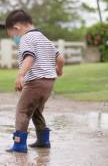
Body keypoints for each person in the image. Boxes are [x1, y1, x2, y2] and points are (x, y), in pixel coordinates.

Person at [4, 9, 64, 153]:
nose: (14, 39)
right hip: (49, 83)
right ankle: (43, 140)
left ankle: (19, 144)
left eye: (12, 35)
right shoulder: (44, 38)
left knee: (22, 111)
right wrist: (59, 69)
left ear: (16, 28)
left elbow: (29, 57)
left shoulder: (26, 38)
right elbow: (60, 58)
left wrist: (20, 75)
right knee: (36, 110)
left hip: (35, 82)